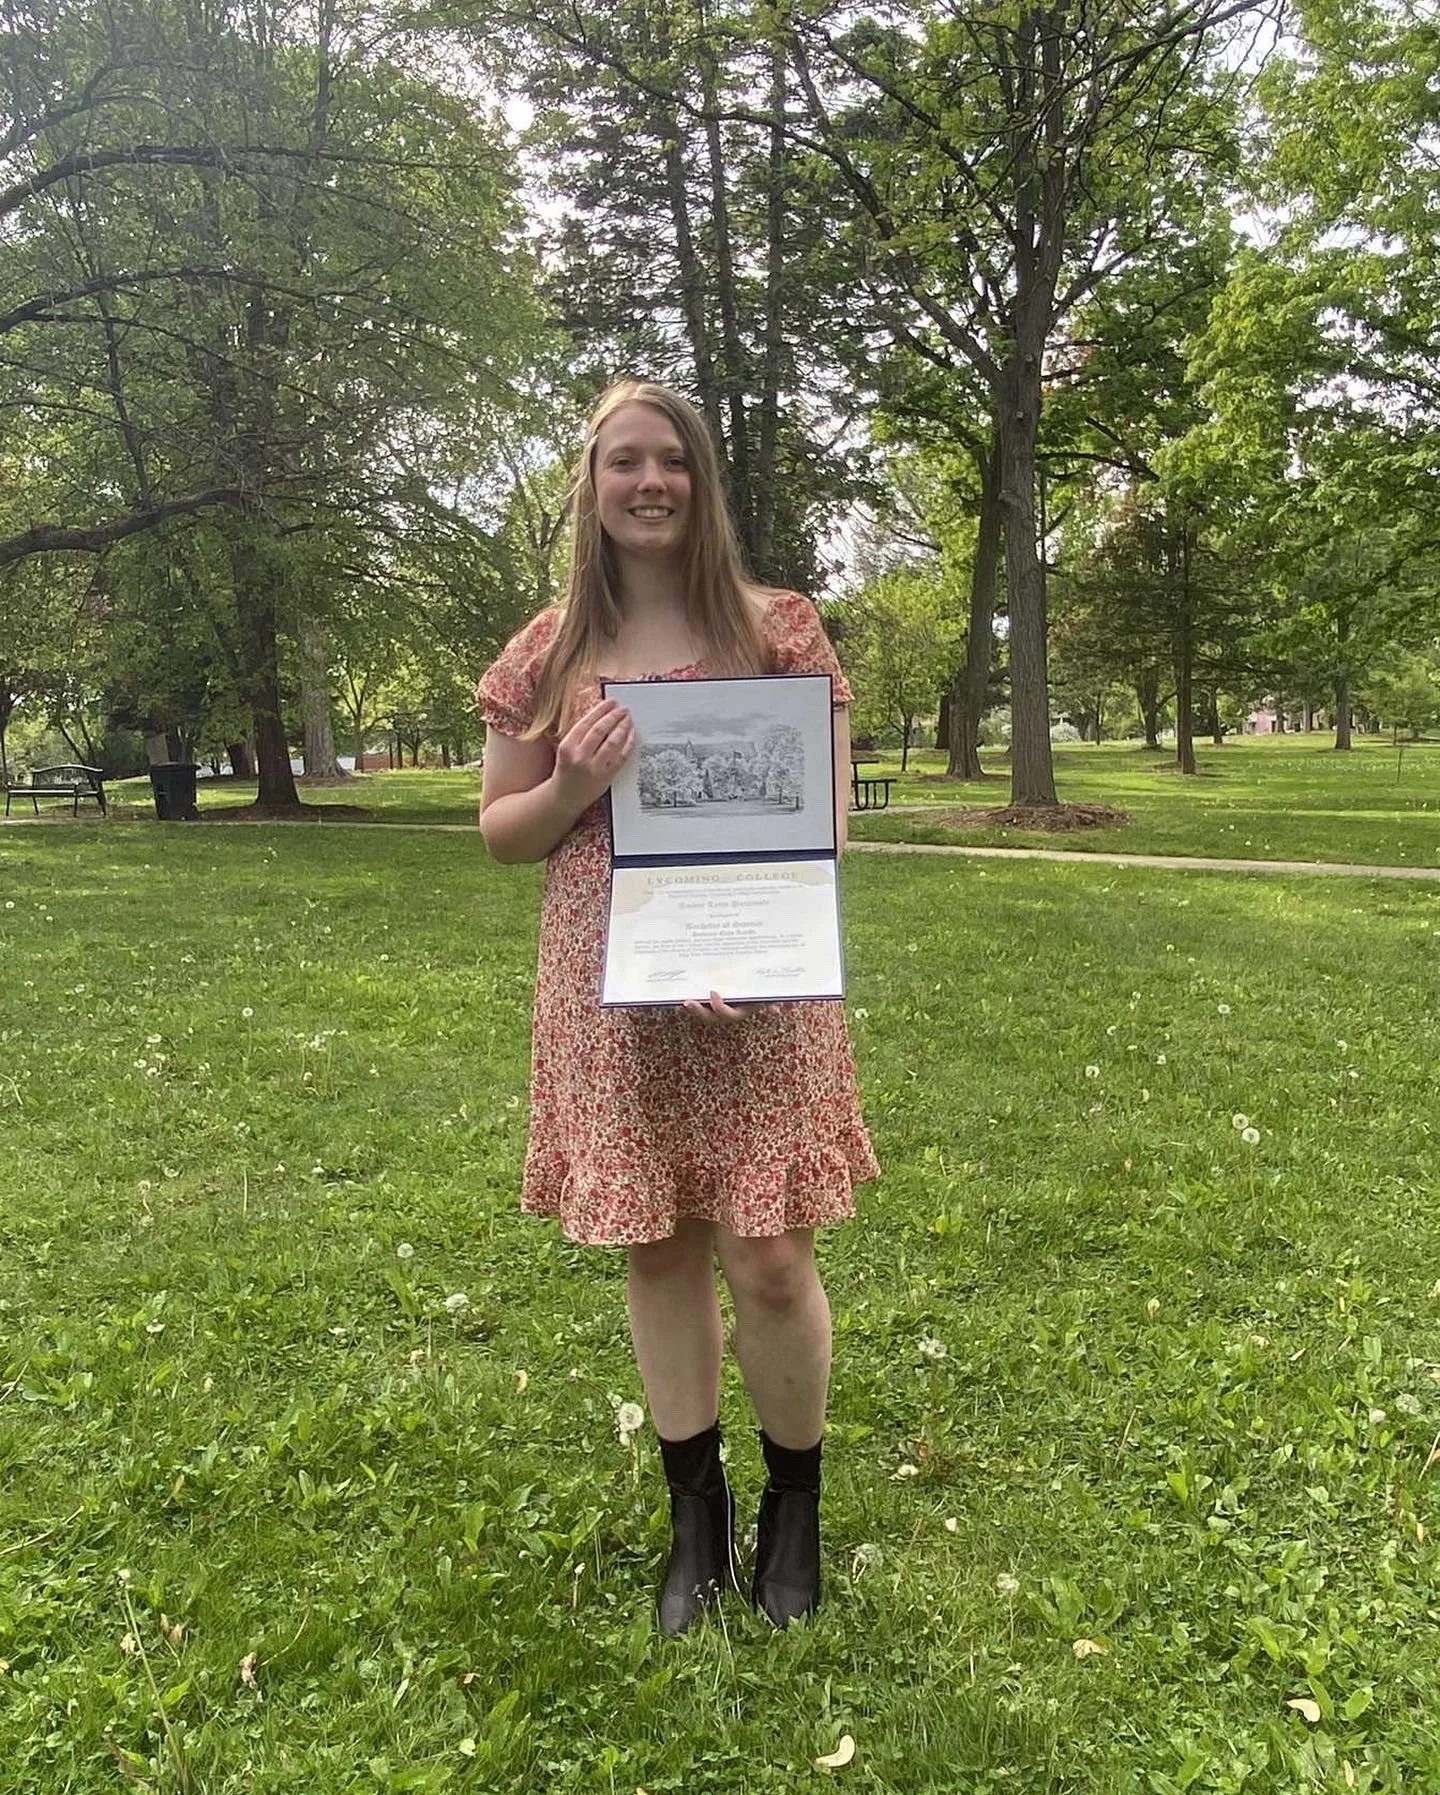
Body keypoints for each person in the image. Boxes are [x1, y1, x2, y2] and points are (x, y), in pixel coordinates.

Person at [475, 379, 878, 1634]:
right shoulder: (547, 651)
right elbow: (501, 833)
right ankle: (694, 1518)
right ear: (591, 489)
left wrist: (756, 954)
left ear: (702, 482)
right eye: (624, 464)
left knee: (769, 1255)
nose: (649, 483)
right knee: (658, 1242)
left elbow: (825, 821)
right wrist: (571, 783)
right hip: (616, 997)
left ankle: (793, 1511)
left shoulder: (782, 631)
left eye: (673, 463)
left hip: (761, 986)